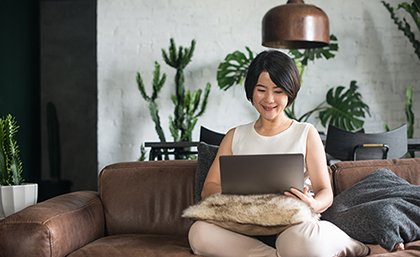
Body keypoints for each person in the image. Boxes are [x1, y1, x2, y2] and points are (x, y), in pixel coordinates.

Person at [188, 50, 370, 257]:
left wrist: (313, 204)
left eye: (278, 91)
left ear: (289, 92)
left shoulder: (305, 133)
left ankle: (354, 245)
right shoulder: (234, 136)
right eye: (261, 89)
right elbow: (209, 188)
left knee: (300, 242)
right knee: (199, 233)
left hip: (292, 226)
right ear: (251, 91)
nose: (269, 99)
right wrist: (238, 197)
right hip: (244, 226)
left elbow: (324, 191)